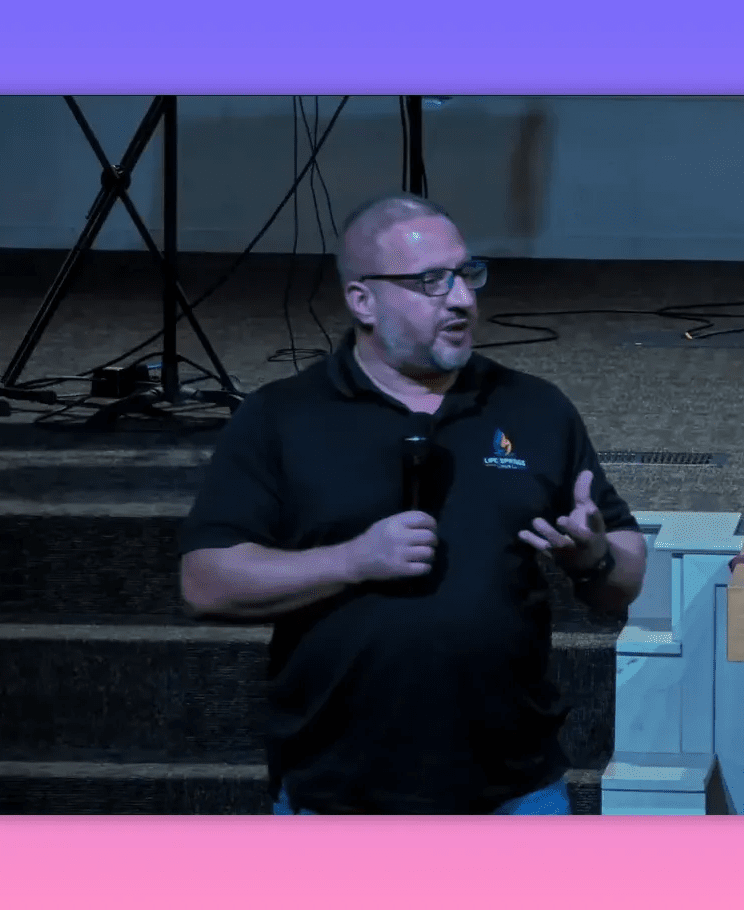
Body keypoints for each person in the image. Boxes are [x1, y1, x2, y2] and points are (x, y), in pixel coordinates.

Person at [177, 193, 647, 815]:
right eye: (431, 282)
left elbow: (626, 570)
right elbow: (205, 582)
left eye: (467, 274)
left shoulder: (534, 407)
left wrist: (593, 556)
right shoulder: (280, 418)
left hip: (515, 790)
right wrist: (351, 560)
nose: (462, 300)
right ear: (362, 300)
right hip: (339, 792)